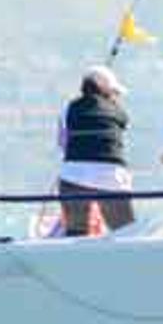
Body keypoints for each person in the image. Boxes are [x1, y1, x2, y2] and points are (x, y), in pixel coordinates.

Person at [57, 65, 136, 236]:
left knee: (76, 234)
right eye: (114, 92)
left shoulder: (68, 109)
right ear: (105, 90)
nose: (115, 96)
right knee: (124, 232)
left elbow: (62, 144)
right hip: (111, 178)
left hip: (73, 177)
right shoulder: (119, 112)